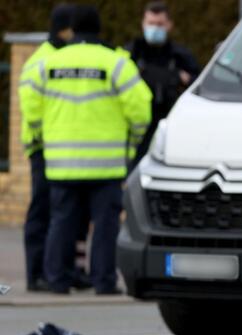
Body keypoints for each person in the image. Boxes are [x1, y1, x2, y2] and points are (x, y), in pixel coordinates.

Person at [20, 5, 153, 295]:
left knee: (62, 221)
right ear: (98, 30)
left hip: (61, 161)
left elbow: (30, 106)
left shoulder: (49, 63)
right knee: (105, 225)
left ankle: (57, 279)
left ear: (72, 30)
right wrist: (132, 142)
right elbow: (141, 108)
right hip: (105, 164)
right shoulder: (115, 62)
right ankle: (103, 281)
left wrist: (44, 133)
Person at [18, 4, 74, 293]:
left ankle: (60, 270)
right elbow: (31, 106)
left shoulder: (60, 57)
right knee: (42, 210)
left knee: (61, 212)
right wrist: (47, 134)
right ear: (64, 29)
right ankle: (35, 273)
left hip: (57, 146)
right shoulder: (44, 60)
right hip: (43, 147)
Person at [125, 1, 200, 166]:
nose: (154, 28)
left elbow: (199, 86)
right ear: (143, 24)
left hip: (170, 124)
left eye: (159, 24)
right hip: (139, 128)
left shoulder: (180, 56)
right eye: (151, 23)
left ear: (169, 25)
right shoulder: (132, 53)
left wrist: (183, 78)